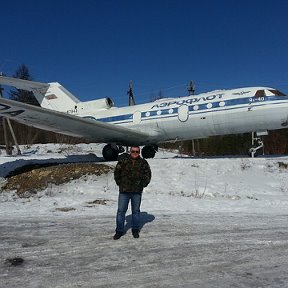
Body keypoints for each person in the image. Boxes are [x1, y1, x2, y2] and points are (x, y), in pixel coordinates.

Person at [113, 146, 151, 240]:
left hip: (136, 192)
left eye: (137, 151)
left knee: (136, 212)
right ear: (130, 152)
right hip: (124, 191)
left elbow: (148, 174)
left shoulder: (143, 162)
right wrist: (120, 183)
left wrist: (143, 184)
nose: (135, 153)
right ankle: (119, 231)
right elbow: (117, 172)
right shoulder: (123, 161)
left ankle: (135, 230)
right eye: (133, 151)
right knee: (121, 211)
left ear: (139, 152)